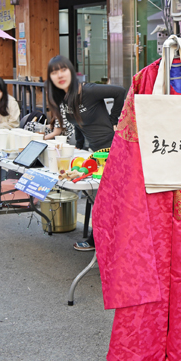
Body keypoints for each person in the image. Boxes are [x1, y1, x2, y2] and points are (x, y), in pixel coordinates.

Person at [45, 55, 126, 251]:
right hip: (96, 153)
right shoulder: (64, 100)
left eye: (63, 70)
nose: (59, 75)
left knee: (106, 200)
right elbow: (79, 125)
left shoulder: (87, 90)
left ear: (71, 72)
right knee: (100, 198)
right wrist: (79, 148)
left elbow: (120, 92)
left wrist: (114, 119)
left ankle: (98, 241)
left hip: (113, 149)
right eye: (54, 72)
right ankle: (101, 239)